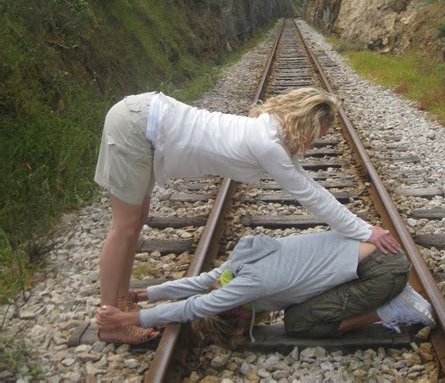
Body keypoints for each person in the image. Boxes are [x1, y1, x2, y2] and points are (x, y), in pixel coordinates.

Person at [94, 87, 400, 344]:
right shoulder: (267, 144)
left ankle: (121, 303)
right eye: (316, 135)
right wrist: (365, 231)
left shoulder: (271, 132)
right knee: (125, 227)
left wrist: (361, 228)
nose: (312, 144)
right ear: (304, 124)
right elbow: (311, 195)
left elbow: (311, 187)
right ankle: (111, 321)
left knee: (132, 224)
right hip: (139, 124)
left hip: (147, 117)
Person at [96, 231, 435, 346]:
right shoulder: (239, 267)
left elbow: (196, 306)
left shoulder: (249, 285)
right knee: (296, 312)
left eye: (243, 320)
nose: (252, 318)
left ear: (232, 309)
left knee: (299, 323)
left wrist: (131, 316)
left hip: (381, 273)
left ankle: (393, 307)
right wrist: (147, 292)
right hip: (373, 263)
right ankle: (390, 300)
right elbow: (202, 282)